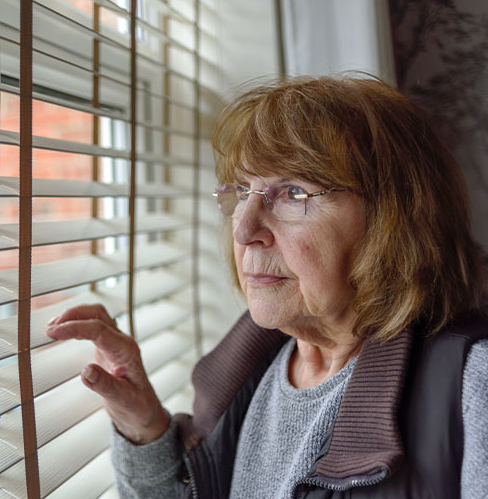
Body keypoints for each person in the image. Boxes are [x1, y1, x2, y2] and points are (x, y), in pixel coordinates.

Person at [45, 76, 488, 498]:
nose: (244, 230)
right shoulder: (244, 369)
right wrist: (145, 428)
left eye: (294, 193)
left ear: (392, 221)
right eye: (242, 191)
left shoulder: (473, 383)